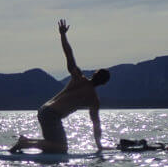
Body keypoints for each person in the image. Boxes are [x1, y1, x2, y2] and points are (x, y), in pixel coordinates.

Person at [10, 19, 109, 154]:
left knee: (55, 146)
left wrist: (63, 35)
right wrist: (99, 147)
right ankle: (25, 143)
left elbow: (69, 54)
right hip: (51, 114)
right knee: (61, 148)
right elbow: (96, 125)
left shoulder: (79, 79)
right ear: (103, 83)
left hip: (44, 110)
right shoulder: (89, 93)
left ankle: (27, 141)